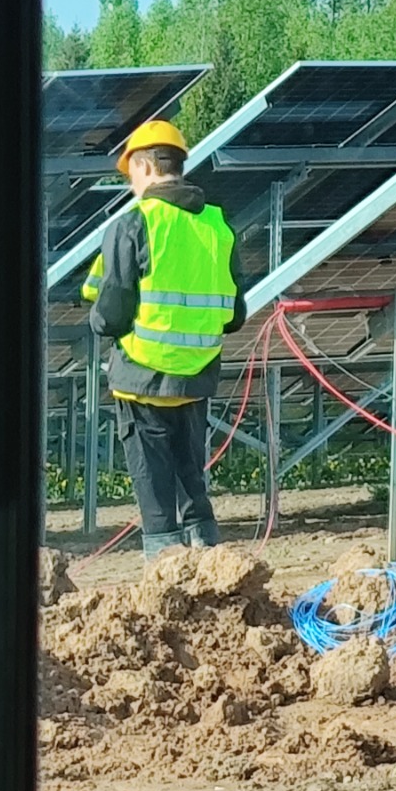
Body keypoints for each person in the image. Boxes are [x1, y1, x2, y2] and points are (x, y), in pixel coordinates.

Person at [80, 120, 247, 560]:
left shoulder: (133, 223)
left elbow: (111, 313)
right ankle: (209, 563)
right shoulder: (217, 226)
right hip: (195, 378)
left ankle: (165, 576)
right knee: (192, 477)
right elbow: (235, 316)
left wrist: (99, 321)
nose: (130, 184)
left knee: (153, 488)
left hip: (142, 375)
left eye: (130, 173)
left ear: (144, 166)